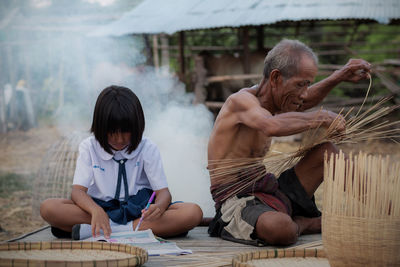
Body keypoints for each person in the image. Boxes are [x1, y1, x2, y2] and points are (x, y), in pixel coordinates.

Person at [207, 39, 371, 246]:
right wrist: (322, 118)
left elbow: (306, 100)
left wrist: (340, 75)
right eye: (300, 84)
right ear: (275, 77)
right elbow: (270, 125)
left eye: (307, 84)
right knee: (282, 229)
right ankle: (303, 224)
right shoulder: (241, 102)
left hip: (268, 190)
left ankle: (385, 212)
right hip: (236, 202)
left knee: (327, 152)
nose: (303, 93)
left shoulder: (279, 100)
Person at [40, 85, 203, 240]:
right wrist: (96, 210)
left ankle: (97, 230)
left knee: (192, 212)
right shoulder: (89, 147)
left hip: (140, 213)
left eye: (126, 132)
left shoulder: (147, 147)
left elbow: (163, 193)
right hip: (100, 210)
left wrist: (158, 208)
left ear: (138, 126)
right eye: (112, 133)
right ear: (99, 127)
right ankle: (127, 229)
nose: (119, 139)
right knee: (49, 208)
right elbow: (77, 192)